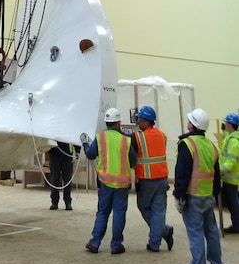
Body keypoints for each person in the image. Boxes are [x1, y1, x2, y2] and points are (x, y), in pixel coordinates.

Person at [173, 108, 224, 264]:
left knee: (195, 234)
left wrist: (179, 195)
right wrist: (214, 195)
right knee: (211, 232)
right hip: (207, 197)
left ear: (191, 125)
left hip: (192, 197)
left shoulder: (187, 145)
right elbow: (217, 176)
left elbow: (182, 173)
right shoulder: (211, 146)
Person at [81, 107, 136, 254]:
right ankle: (116, 245)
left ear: (106, 123)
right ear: (118, 123)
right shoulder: (126, 140)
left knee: (102, 212)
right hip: (122, 184)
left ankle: (95, 243)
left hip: (105, 182)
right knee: (119, 213)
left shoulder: (100, 138)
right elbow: (134, 160)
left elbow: (90, 155)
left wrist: (85, 143)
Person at [131, 104, 174, 252]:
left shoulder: (137, 137)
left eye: (139, 120)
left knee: (144, 207)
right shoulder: (163, 135)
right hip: (162, 178)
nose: (137, 122)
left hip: (147, 180)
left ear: (145, 121)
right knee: (159, 211)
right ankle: (154, 244)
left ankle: (164, 231)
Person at [219, 111, 239, 234]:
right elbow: (227, 138)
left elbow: (231, 161)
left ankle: (237, 226)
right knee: (232, 203)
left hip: (231, 179)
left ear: (230, 124)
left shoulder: (234, 141)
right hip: (227, 178)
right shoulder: (231, 137)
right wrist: (223, 131)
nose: (224, 124)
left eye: (226, 122)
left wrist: (220, 171)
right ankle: (236, 224)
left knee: (234, 204)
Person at [48, 141, 80, 211]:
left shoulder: (71, 129)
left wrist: (78, 151)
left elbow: (73, 136)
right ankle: (54, 202)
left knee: (67, 179)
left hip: (67, 155)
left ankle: (68, 202)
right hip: (54, 154)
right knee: (54, 179)